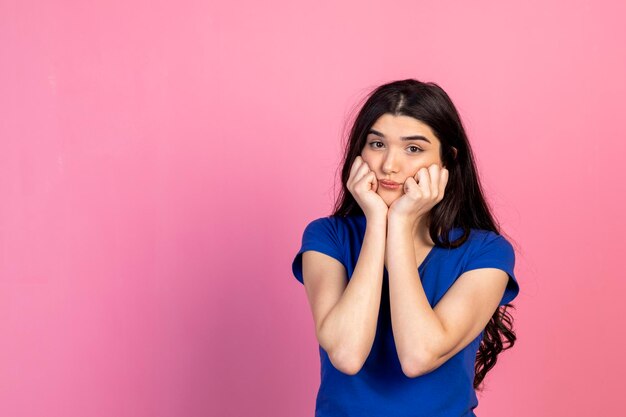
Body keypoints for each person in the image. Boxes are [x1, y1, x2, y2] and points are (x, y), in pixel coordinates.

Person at [291, 79, 520, 417]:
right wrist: (376, 222)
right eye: (377, 143)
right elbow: (346, 353)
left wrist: (399, 223)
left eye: (413, 148)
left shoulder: (486, 253)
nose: (389, 165)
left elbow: (418, 355)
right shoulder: (328, 238)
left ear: (447, 160)